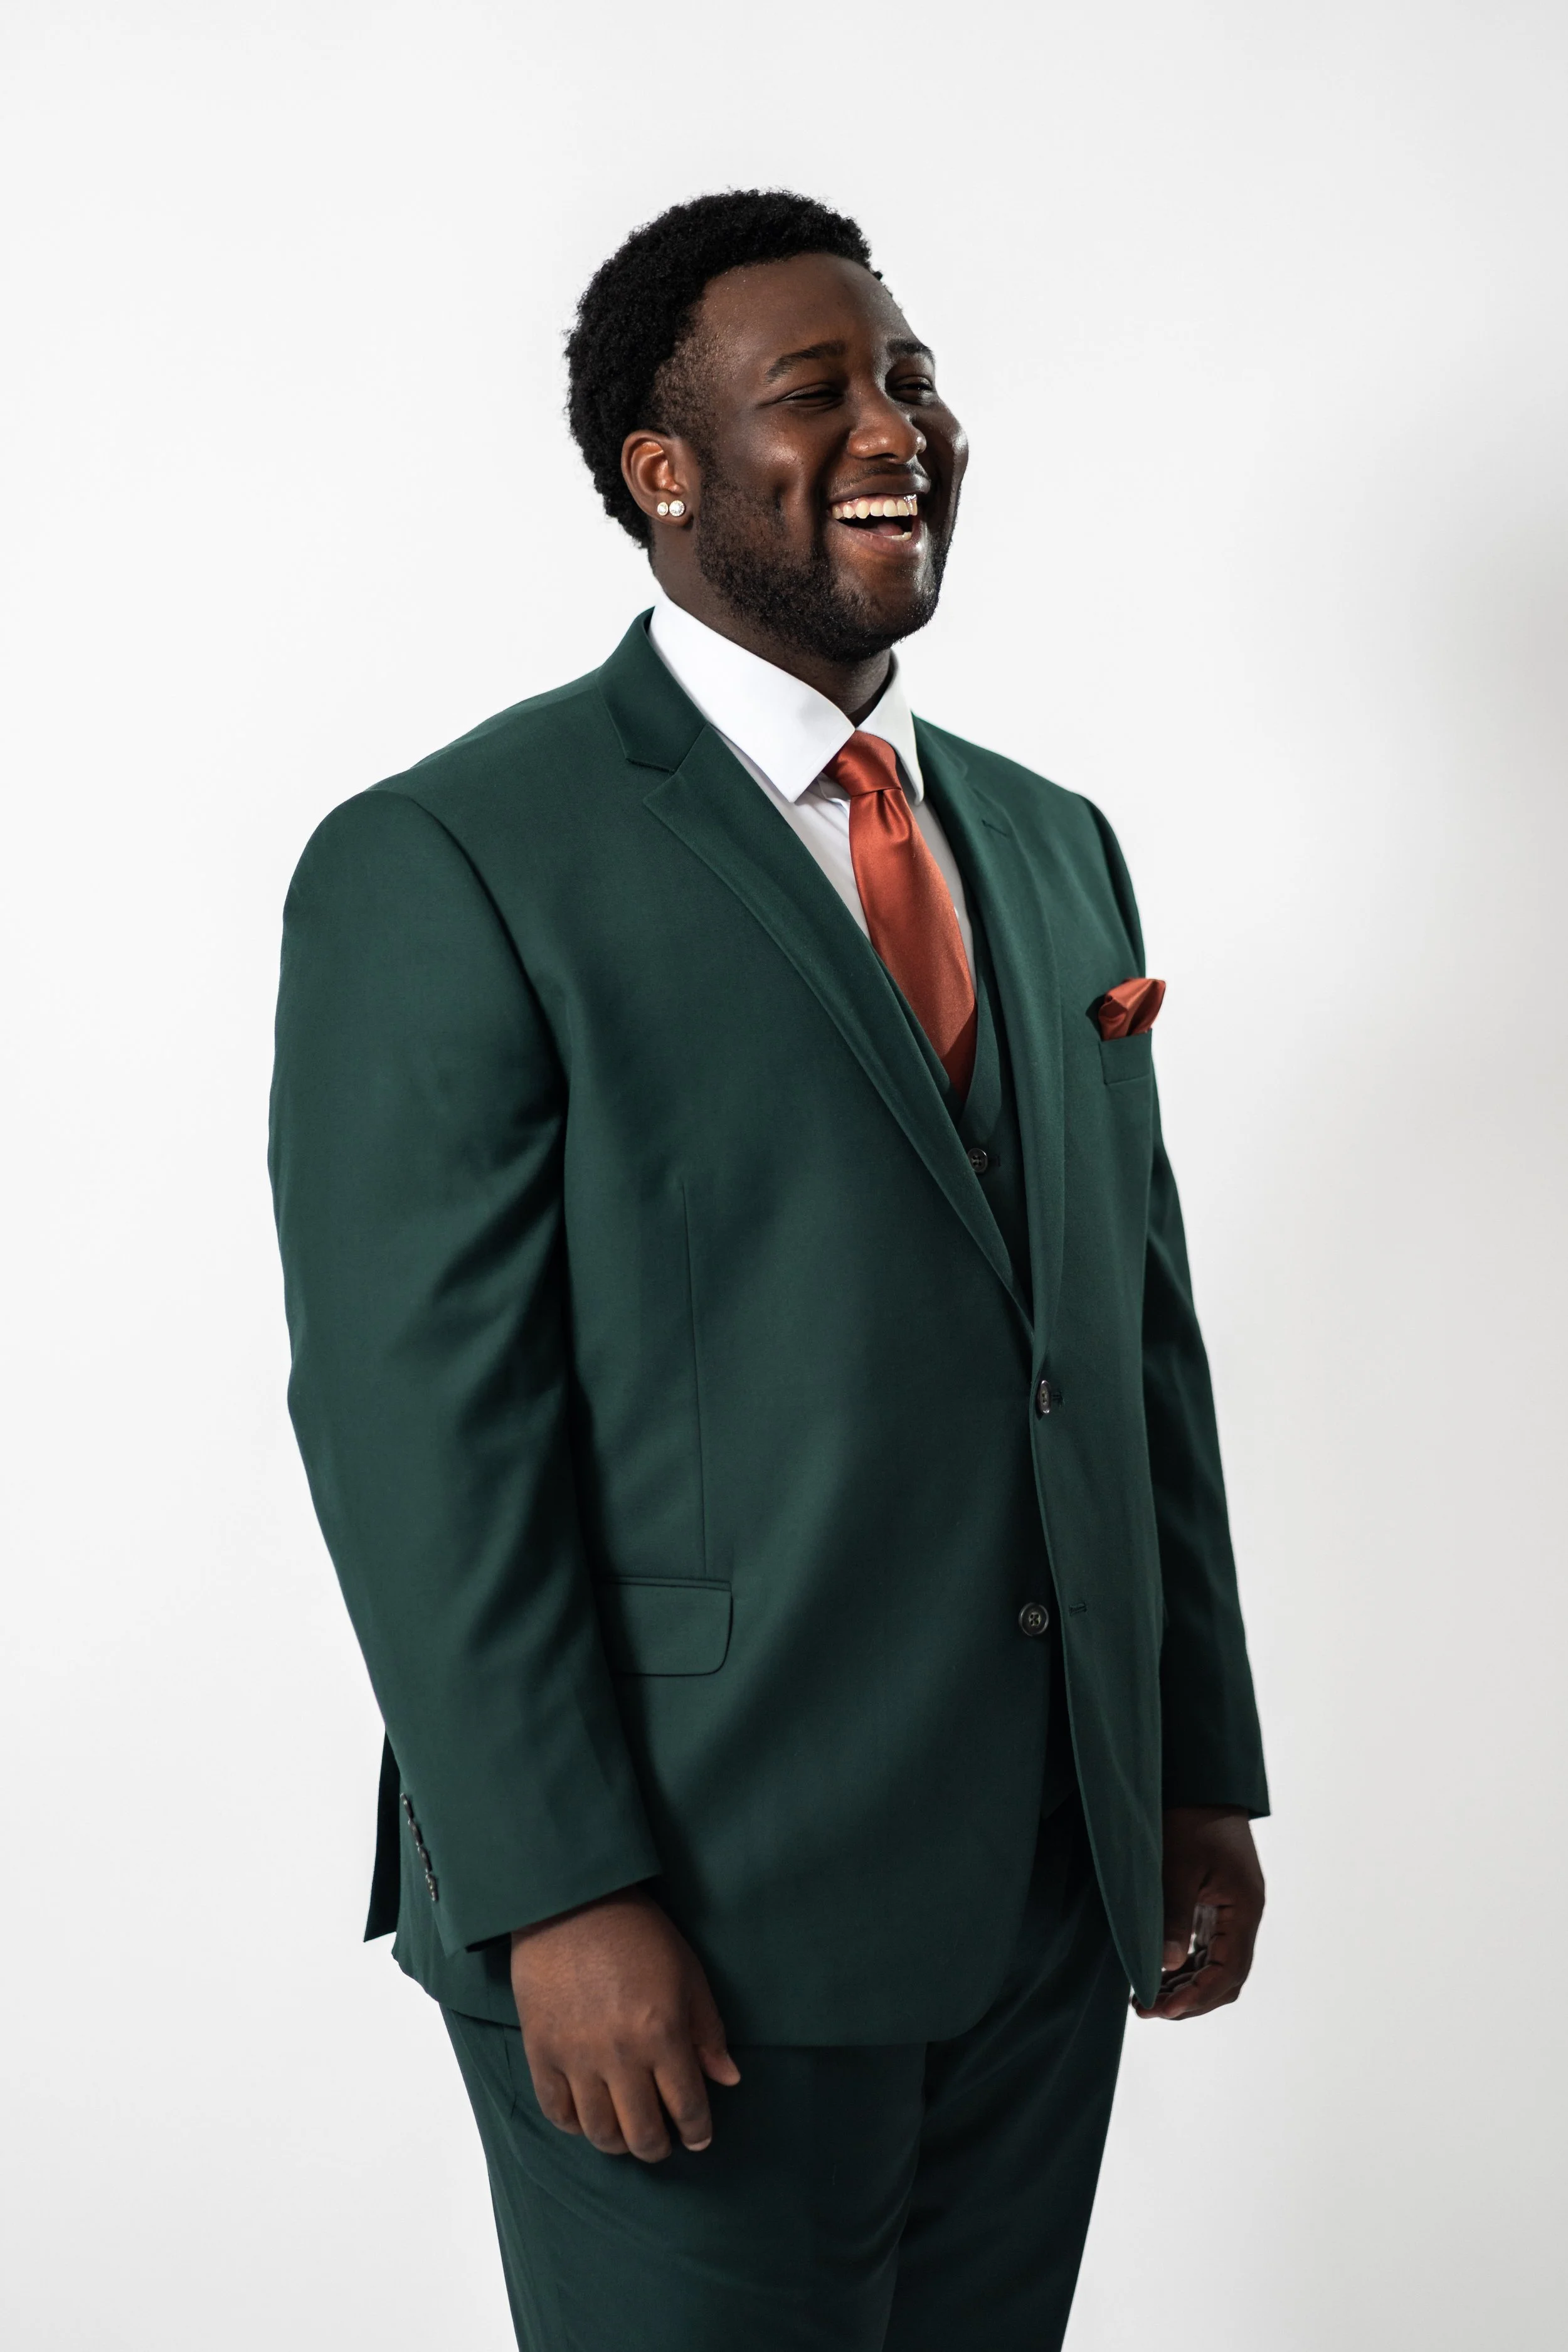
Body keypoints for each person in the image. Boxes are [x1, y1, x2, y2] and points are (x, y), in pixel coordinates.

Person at [269, 188, 1268, 2351]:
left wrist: (1191, 1764)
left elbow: (1129, 1345)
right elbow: (416, 1432)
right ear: (663, 469)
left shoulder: (1048, 837)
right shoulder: (450, 858)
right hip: (683, 1927)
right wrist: (556, 1890)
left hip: (1037, 1885)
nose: (894, 421)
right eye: (814, 389)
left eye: (908, 376)